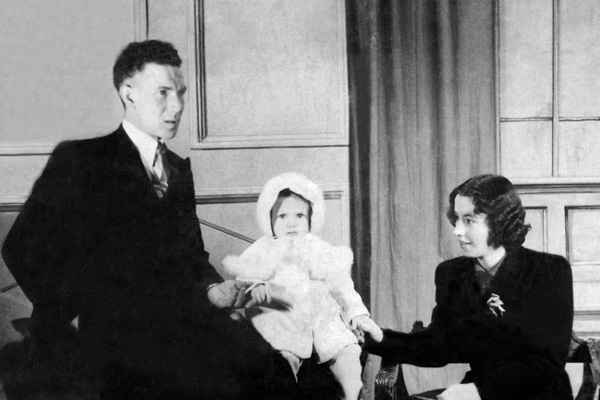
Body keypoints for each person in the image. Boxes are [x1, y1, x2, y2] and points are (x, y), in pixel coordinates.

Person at [1, 40, 291, 400]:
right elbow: (20, 245)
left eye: (181, 94)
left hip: (178, 322)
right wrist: (71, 314)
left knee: (269, 367)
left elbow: (192, 258)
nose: (178, 107)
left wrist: (215, 290)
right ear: (129, 93)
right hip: (112, 334)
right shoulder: (83, 160)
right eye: (163, 93)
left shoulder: (178, 170)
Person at [363, 174, 574, 400]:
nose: (457, 230)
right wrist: (382, 338)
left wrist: (478, 390)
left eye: (469, 220)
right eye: (456, 219)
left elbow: (547, 363)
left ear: (500, 221)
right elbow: (438, 346)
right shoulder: (452, 273)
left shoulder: (549, 270)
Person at [207, 172, 383, 400]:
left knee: (347, 353)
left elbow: (342, 285)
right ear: (268, 220)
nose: (291, 222)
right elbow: (245, 277)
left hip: (322, 319)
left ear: (312, 218)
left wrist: (357, 314)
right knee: (282, 359)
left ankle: (353, 393)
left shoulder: (319, 247)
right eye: (282, 216)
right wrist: (257, 285)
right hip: (284, 319)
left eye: (300, 215)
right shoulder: (265, 247)